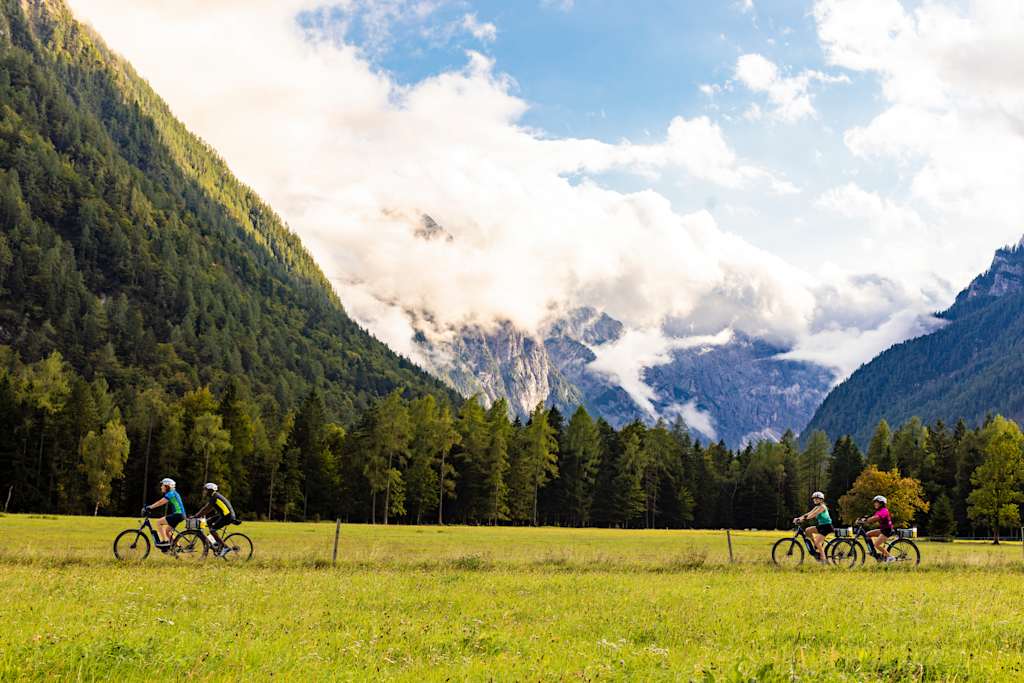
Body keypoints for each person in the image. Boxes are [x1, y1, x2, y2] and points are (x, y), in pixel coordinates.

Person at [191, 482, 237, 557]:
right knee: (208, 522)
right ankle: (215, 543)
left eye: (206, 490)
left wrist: (196, 516)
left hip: (228, 516)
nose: (204, 492)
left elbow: (206, 509)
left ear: (210, 490)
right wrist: (199, 515)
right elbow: (207, 509)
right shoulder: (214, 496)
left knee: (212, 530)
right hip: (223, 515)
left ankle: (225, 547)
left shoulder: (214, 497)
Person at [144, 478, 186, 550]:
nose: (161, 487)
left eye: (162, 485)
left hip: (178, 515)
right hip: (181, 515)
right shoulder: (174, 492)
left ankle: (164, 541)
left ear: (167, 486)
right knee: (167, 531)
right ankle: (178, 547)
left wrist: (150, 507)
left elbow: (161, 502)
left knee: (159, 522)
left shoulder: (171, 493)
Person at [793, 491, 834, 561]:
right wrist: (799, 518)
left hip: (827, 527)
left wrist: (804, 519)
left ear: (821, 500)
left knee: (818, 543)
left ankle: (823, 559)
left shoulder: (822, 507)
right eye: (814, 499)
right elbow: (809, 513)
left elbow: (814, 514)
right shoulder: (817, 507)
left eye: (817, 499)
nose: (815, 500)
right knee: (808, 531)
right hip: (821, 526)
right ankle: (816, 545)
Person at [858, 494, 895, 561]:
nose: (875, 504)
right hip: (883, 529)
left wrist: (866, 520)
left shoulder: (884, 511)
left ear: (881, 503)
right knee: (867, 534)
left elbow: (875, 518)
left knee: (877, 545)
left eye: (876, 502)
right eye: (875, 502)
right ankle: (872, 551)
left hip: (887, 530)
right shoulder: (879, 511)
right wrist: (864, 519)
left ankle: (890, 557)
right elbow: (872, 518)